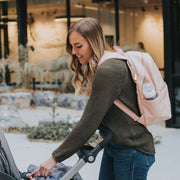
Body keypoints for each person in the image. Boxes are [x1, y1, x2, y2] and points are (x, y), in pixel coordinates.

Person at [31, 17, 155, 180]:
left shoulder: (109, 70)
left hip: (131, 151)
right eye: (72, 47)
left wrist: (54, 158)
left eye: (79, 46)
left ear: (93, 42)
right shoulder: (107, 63)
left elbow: (90, 121)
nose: (74, 52)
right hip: (115, 146)